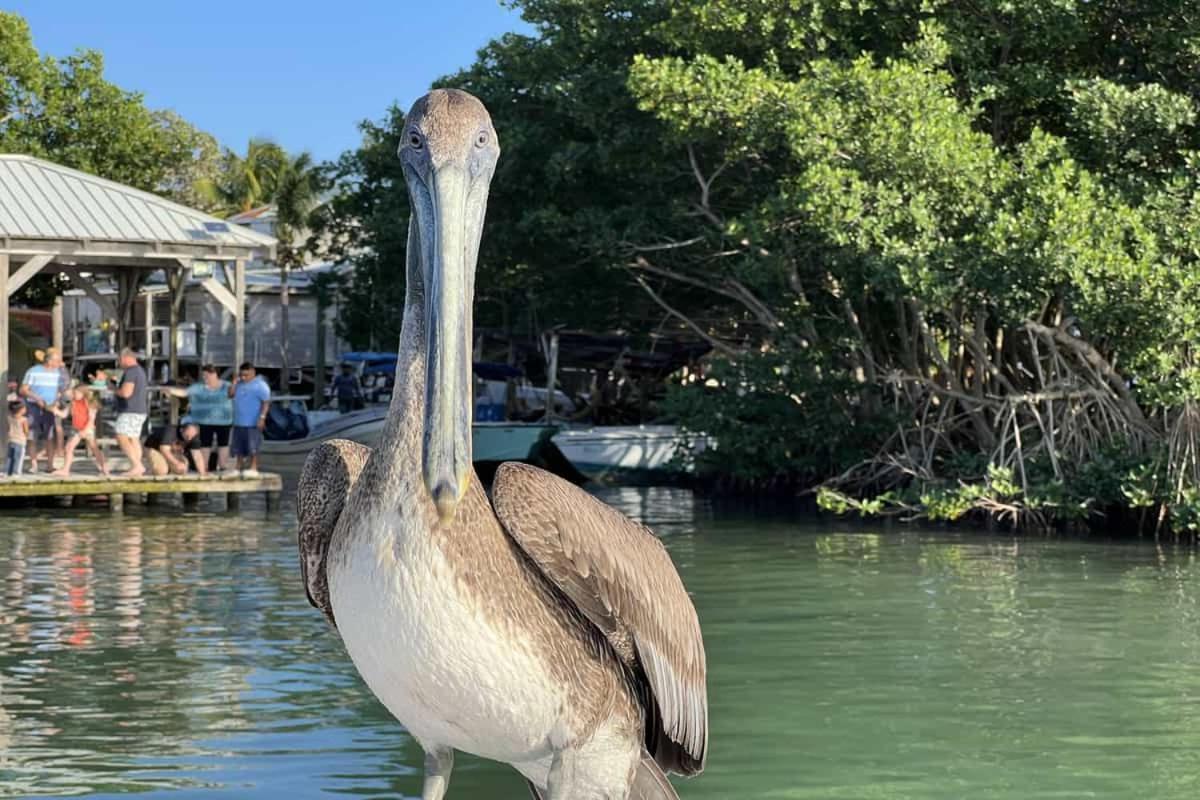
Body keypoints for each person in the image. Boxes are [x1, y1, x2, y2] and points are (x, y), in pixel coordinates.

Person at [159, 364, 233, 471]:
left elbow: (233, 394)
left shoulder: (227, 385)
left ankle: (223, 468)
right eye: (203, 376)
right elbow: (184, 393)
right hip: (205, 422)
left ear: (214, 374)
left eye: (206, 375)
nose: (204, 378)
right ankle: (204, 468)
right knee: (205, 446)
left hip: (224, 421)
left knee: (223, 445)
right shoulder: (199, 387)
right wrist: (169, 390)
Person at [99, 348, 149, 477]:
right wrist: (114, 384)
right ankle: (136, 467)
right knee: (133, 438)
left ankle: (137, 465)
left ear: (126, 358)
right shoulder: (140, 370)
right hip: (140, 410)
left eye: (119, 359)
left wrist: (113, 389)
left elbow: (126, 393)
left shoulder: (131, 371)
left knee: (121, 435)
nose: (119, 362)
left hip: (130, 410)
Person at [19, 348, 65, 473]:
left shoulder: (58, 373)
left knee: (50, 436)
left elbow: (61, 390)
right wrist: (37, 398)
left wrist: (57, 401)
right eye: (57, 361)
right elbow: (23, 390)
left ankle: (50, 465)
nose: (59, 363)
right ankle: (34, 464)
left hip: (49, 407)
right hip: (34, 406)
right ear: (49, 361)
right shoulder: (33, 371)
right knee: (32, 436)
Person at [50, 385, 108, 477]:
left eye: (76, 393)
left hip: (87, 428)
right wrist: (56, 410)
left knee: (94, 448)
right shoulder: (72, 403)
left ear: (83, 393)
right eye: (74, 393)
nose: (74, 394)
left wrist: (85, 430)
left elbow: (91, 419)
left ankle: (104, 468)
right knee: (68, 448)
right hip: (76, 428)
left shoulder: (90, 403)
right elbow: (64, 414)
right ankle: (65, 469)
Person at [229, 362, 270, 476]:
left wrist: (262, 417)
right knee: (238, 447)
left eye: (246, 375)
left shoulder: (260, 385)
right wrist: (234, 383)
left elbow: (266, 403)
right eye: (241, 375)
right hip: (238, 421)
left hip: (253, 422)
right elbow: (230, 395)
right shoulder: (239, 384)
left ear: (253, 373)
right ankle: (238, 467)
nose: (243, 377)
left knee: (253, 446)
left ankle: (253, 468)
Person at [6, 401, 29, 476]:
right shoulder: (24, 419)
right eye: (24, 408)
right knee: (19, 458)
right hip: (20, 441)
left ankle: (9, 472)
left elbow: (8, 428)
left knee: (10, 457)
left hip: (11, 440)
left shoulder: (9, 417)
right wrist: (27, 436)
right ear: (21, 410)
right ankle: (17, 472)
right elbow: (26, 431)